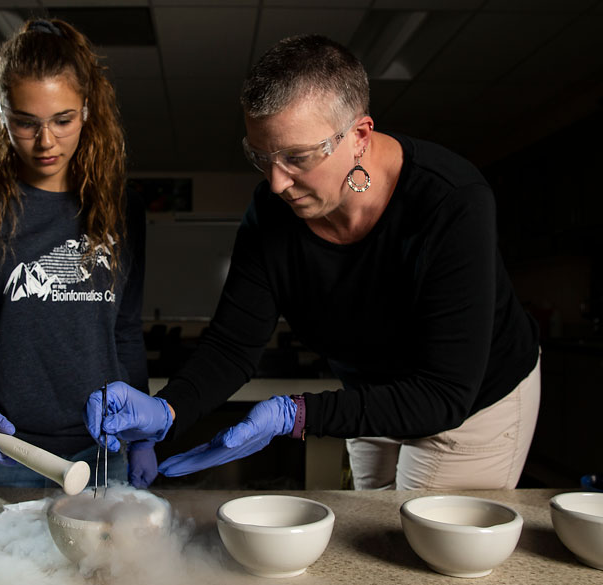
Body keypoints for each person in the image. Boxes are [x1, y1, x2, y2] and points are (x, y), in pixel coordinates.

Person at [84, 34, 541, 491]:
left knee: (418, 545)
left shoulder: (451, 202)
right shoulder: (270, 214)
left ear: (359, 135)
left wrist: (295, 414)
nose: (277, 182)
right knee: (369, 531)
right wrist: (169, 410)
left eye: (297, 158)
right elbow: (232, 346)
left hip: (470, 403)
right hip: (370, 395)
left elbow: (444, 393)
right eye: (262, 157)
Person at [0, 18, 149, 488]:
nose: (46, 141)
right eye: (25, 122)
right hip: (3, 451)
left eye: (63, 119)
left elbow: (125, 332)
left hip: (103, 452)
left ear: (88, 110)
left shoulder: (122, 206)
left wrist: (141, 432)